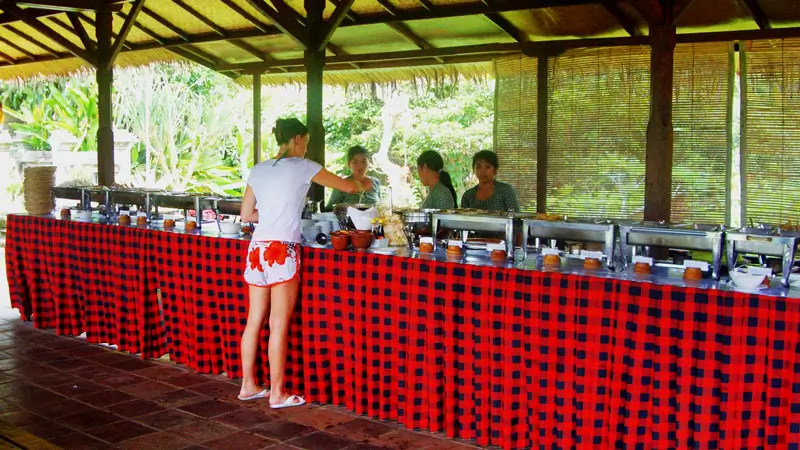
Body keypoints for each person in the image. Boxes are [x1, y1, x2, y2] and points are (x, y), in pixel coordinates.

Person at [237, 118, 371, 409]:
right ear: (297, 139)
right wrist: (364, 182)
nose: (305, 147)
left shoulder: (258, 169)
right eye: (306, 142)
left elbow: (246, 215)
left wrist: (272, 213)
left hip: (257, 248)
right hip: (282, 249)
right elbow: (348, 187)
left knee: (254, 319)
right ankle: (276, 393)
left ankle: (248, 385)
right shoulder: (304, 165)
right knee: (278, 323)